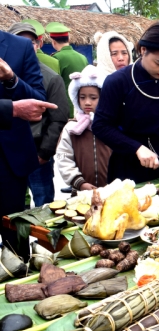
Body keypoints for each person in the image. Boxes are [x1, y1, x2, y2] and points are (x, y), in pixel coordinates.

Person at [92, 21, 159, 183]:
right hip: (128, 167)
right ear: (143, 50)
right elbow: (101, 126)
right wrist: (136, 148)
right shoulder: (118, 81)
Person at [8, 22, 69, 207]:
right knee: (12, 207)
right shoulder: (4, 76)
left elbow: (58, 118)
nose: (27, 46)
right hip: (7, 152)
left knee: (44, 205)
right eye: (20, 41)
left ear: (39, 44)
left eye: (32, 42)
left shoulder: (51, 78)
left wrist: (44, 153)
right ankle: (16, 237)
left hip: (37, 151)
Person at [0, 30, 47, 261]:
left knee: (16, 244)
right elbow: (17, 109)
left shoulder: (20, 46)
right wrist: (11, 109)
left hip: (9, 163)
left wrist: (11, 78)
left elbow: (38, 101)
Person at [56, 65, 111, 194]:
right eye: (82, 97)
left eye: (93, 98)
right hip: (81, 193)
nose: (87, 102)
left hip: (111, 191)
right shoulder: (71, 128)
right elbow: (64, 159)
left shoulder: (111, 126)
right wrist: (79, 183)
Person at [47, 22, 88, 118]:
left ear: (53, 42)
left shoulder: (55, 58)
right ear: (68, 39)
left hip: (64, 108)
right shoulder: (82, 57)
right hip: (82, 107)